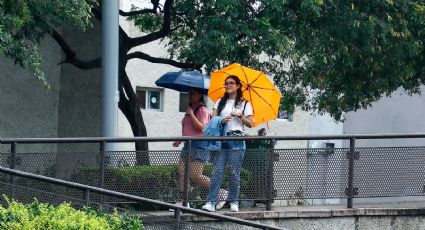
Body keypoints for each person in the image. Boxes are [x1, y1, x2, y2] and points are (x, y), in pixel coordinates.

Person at [202, 75, 253, 212]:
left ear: (238, 85)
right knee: (217, 172)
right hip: (222, 140)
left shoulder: (244, 103)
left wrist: (240, 116)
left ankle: (234, 201)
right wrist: (221, 120)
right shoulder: (220, 102)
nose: (228, 85)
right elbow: (212, 120)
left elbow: (250, 124)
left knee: (233, 172)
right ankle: (211, 202)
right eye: (226, 83)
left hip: (236, 139)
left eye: (231, 83)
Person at [172, 88, 211, 208]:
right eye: (189, 93)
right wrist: (180, 140)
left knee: (195, 175)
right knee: (182, 173)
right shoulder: (190, 109)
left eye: (193, 93)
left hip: (199, 146)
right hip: (187, 145)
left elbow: (201, 128)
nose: (190, 95)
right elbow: (188, 130)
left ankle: (220, 192)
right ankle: (184, 201)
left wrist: (192, 114)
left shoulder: (202, 110)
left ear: (200, 95)